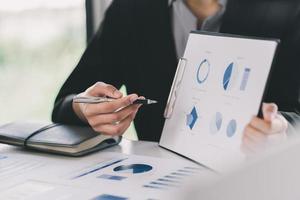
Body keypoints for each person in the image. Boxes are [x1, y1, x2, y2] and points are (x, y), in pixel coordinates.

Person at [52, 0, 300, 153]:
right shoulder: (129, 10)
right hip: (156, 182)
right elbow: (66, 103)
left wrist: (283, 131)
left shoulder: (289, 9)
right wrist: (85, 108)